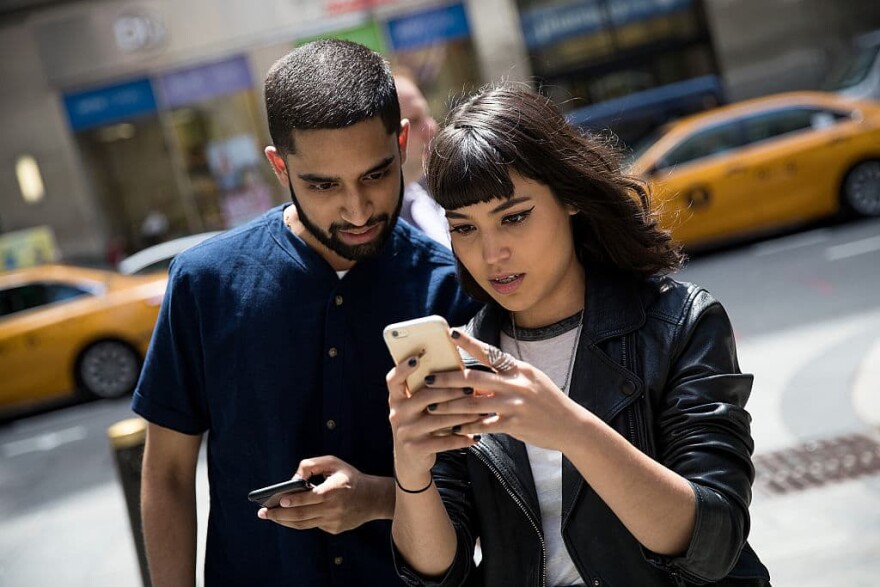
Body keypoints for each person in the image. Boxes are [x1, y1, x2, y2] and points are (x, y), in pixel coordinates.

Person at [386, 84, 771, 586]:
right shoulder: (462, 358)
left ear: (569, 198)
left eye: (514, 217)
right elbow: (439, 572)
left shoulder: (679, 321)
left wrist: (570, 428)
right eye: (464, 227)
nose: (490, 252)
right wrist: (410, 472)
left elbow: (712, 543)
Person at [132, 39, 479, 586]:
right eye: (324, 185)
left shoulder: (453, 288)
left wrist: (376, 499)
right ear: (279, 167)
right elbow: (169, 473)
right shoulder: (205, 283)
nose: (358, 208)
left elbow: (488, 483)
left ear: (402, 142)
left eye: (375, 174)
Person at [394, 71, 450, 248]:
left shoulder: (422, 200)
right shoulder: (365, 228)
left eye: (428, 115)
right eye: (415, 121)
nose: (432, 128)